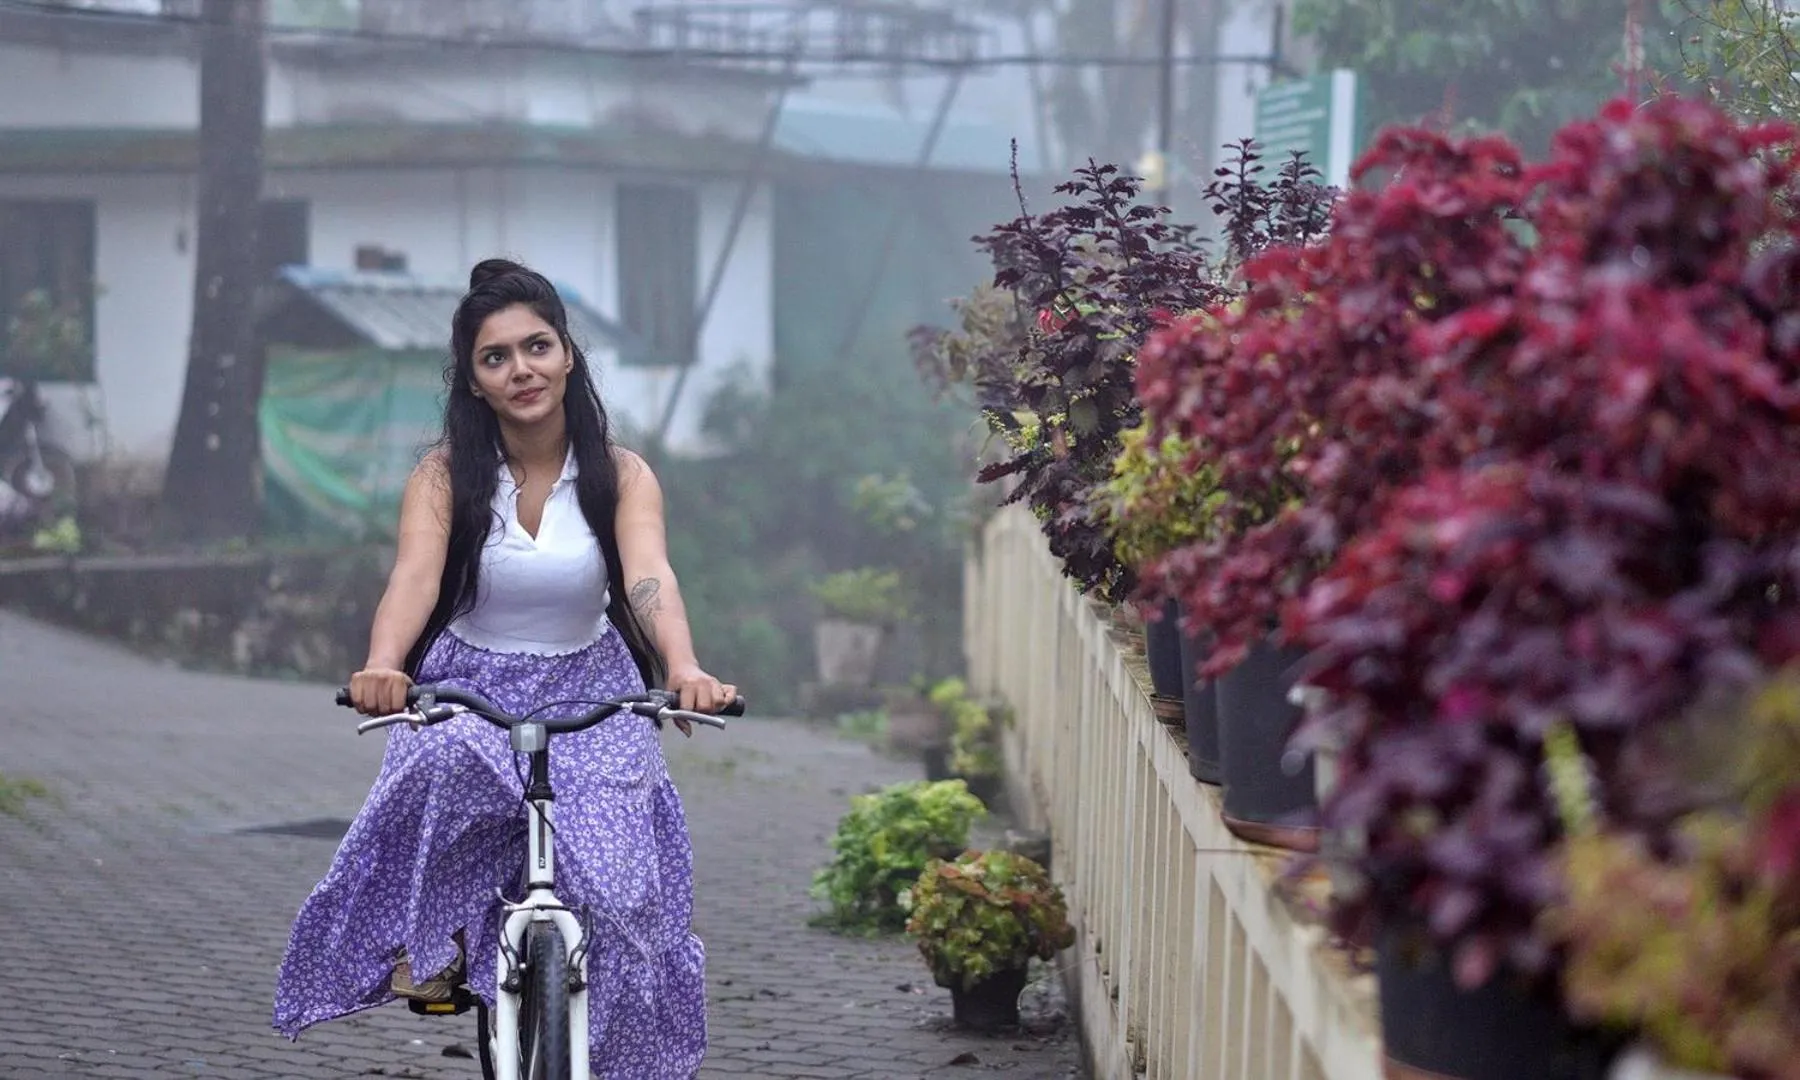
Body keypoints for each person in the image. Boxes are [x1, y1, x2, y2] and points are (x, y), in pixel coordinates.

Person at [272, 257, 734, 1077]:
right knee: (439, 767)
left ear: (568, 357)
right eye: (497, 357)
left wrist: (685, 664)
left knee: (628, 896)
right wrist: (384, 663)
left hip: (592, 688)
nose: (521, 369)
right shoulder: (445, 478)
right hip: (470, 686)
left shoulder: (621, 475)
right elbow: (415, 577)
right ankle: (442, 942)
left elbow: (647, 575)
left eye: (538, 347)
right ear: (474, 381)